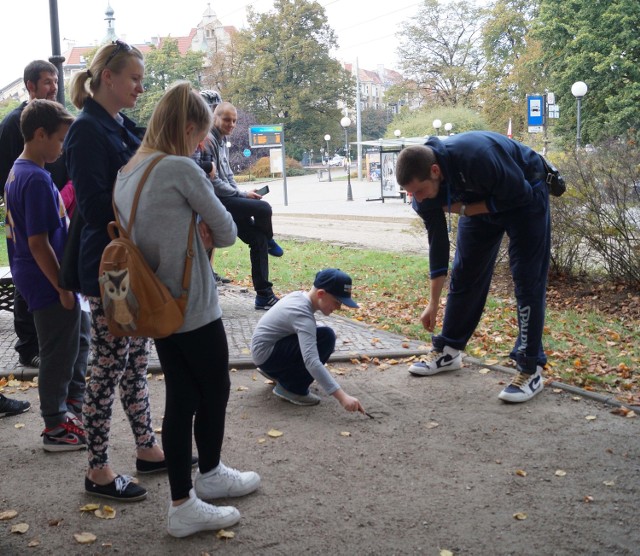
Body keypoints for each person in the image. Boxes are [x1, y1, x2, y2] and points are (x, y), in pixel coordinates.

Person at [115, 82, 260, 537]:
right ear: (188, 127)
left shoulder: (127, 173)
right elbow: (230, 230)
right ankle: (193, 492)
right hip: (193, 303)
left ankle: (198, 485)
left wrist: (193, 223)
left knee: (181, 394)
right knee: (211, 390)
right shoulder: (179, 168)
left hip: (156, 304)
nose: (202, 142)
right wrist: (203, 224)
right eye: (199, 132)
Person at [64, 40, 166, 501]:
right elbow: (91, 205)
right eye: (134, 79)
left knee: (133, 362)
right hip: (110, 270)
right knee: (108, 366)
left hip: (127, 264)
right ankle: (98, 470)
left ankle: (147, 448)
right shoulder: (86, 131)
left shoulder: (117, 124)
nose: (140, 88)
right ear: (108, 78)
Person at [395, 131, 551, 403]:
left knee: (527, 279)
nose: (416, 198)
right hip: (476, 201)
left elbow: (520, 195)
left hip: (524, 195)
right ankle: (450, 349)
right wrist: (433, 303)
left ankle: (530, 367)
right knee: (465, 273)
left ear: (434, 170)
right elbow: (439, 246)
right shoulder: (424, 194)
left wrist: (466, 210)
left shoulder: (476, 155)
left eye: (418, 191)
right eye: (410, 193)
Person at [4, 99, 86, 450]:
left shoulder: (21, 171)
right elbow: (38, 243)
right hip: (46, 280)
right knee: (58, 350)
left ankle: (71, 409)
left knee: (79, 339)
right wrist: (62, 286)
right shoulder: (35, 179)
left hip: (46, 277)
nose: (63, 148)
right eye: (60, 140)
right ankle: (55, 425)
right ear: (40, 134)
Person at [0, 60, 64, 370]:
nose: (54, 86)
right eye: (47, 81)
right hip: (26, 215)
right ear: (30, 86)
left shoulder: (55, 118)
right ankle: (29, 347)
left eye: (55, 80)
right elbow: (7, 172)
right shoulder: (14, 123)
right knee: (30, 277)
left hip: (51, 207)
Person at [251, 268, 367, 413]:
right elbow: (311, 361)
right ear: (321, 294)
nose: (339, 308)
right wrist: (342, 397)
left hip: (264, 352)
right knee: (326, 338)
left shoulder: (299, 297)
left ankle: (280, 374)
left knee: (323, 334)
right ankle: (292, 389)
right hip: (267, 356)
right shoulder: (302, 314)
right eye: (337, 302)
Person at [207, 101, 284, 310]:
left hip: (230, 200)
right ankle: (270, 241)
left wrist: (242, 196)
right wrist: (240, 195)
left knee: (256, 239)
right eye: (227, 120)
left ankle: (263, 295)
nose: (231, 124)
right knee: (264, 208)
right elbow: (213, 181)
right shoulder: (208, 141)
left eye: (234, 121)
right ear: (216, 118)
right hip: (218, 203)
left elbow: (228, 175)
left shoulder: (222, 141)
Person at [191, 89, 230, 286]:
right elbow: (196, 165)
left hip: (207, 192)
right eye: (212, 107)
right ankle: (204, 275)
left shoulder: (215, 137)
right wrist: (207, 168)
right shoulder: (200, 133)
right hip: (201, 195)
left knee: (207, 239)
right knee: (202, 237)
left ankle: (208, 272)